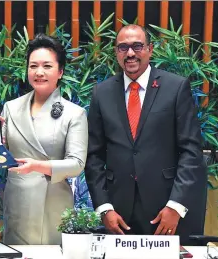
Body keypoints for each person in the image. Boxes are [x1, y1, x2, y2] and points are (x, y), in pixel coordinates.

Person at [85, 24, 207, 245]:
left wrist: (176, 206)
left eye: (137, 46)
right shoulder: (101, 93)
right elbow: (93, 156)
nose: (130, 53)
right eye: (123, 47)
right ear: (116, 52)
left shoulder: (176, 87)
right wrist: (104, 208)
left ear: (150, 49)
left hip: (166, 211)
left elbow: (191, 151)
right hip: (119, 215)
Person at [1, 33, 88, 245]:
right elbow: (2, 154)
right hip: (18, 201)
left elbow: (76, 164)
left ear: (60, 71)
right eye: (33, 66)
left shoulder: (74, 113)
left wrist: (37, 166)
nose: (39, 72)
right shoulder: (11, 108)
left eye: (47, 66)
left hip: (53, 202)